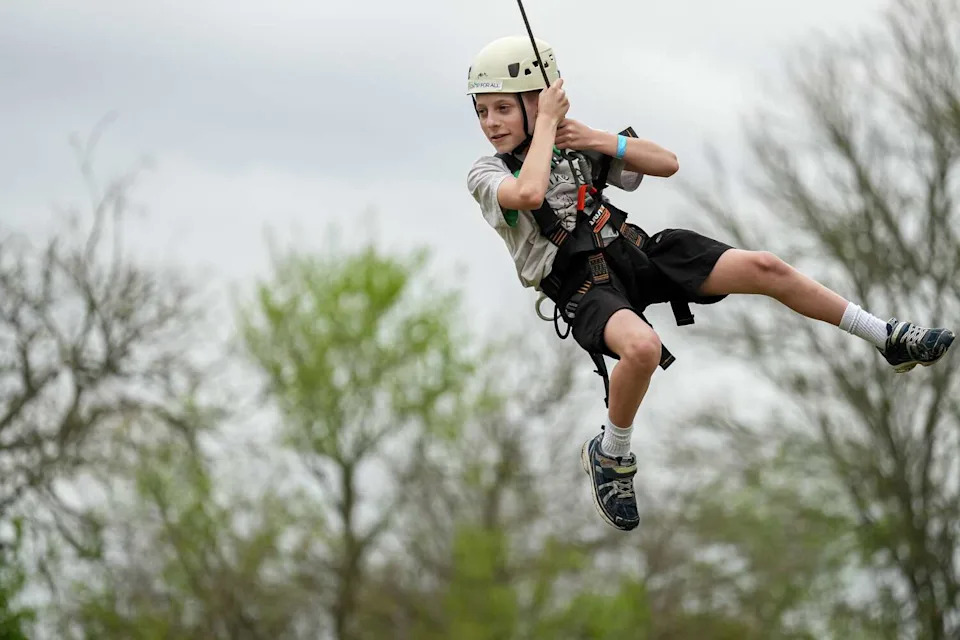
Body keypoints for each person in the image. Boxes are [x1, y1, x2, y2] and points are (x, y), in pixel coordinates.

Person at [465, 35, 955, 531]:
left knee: (765, 266)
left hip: (633, 252)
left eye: (503, 108)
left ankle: (885, 336)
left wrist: (592, 138)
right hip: (582, 286)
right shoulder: (486, 172)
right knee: (642, 348)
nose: (491, 123)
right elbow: (527, 193)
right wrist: (546, 122)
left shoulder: (573, 144)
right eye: (482, 111)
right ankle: (613, 454)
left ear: (536, 98)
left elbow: (666, 162)